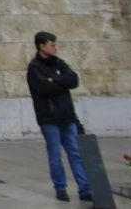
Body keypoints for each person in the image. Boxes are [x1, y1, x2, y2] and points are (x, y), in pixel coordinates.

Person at [27, 32, 92, 203]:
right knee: (55, 154)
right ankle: (60, 187)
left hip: (67, 116)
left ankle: (85, 188)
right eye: (52, 45)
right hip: (49, 118)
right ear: (41, 46)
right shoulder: (35, 67)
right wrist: (61, 83)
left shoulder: (59, 63)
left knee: (75, 153)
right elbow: (44, 89)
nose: (55, 48)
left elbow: (73, 80)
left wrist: (54, 79)